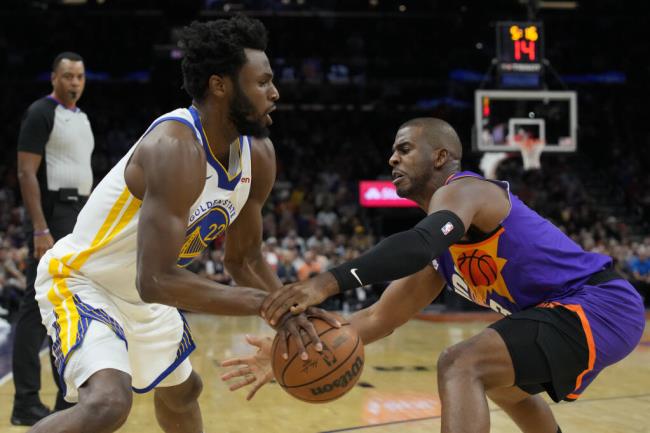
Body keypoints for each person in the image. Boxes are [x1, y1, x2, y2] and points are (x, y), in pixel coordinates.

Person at [223, 118, 645, 433]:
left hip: (599, 303)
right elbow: (375, 320)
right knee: (504, 387)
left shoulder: (468, 190)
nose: (392, 158)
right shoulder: (443, 255)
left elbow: (418, 243)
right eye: (393, 151)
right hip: (572, 311)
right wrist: (290, 353)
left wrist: (326, 281)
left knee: (461, 362)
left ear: (440, 157)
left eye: (404, 149)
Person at [29, 16, 335, 433]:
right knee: (107, 404)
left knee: (183, 391)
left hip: (145, 293)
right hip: (85, 280)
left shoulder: (258, 155)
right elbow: (154, 280)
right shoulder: (175, 147)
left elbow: (243, 259)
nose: (274, 92)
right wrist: (264, 304)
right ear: (220, 85)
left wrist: (290, 308)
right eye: (262, 82)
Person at [12, 51, 93, 425]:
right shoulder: (41, 112)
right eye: (67, 76)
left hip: (77, 215)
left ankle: (66, 398)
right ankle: (26, 401)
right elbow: (27, 174)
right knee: (35, 306)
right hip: (52, 213)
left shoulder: (81, 118)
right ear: (53, 78)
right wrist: (41, 228)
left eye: (79, 76)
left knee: (67, 306)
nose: (74, 82)